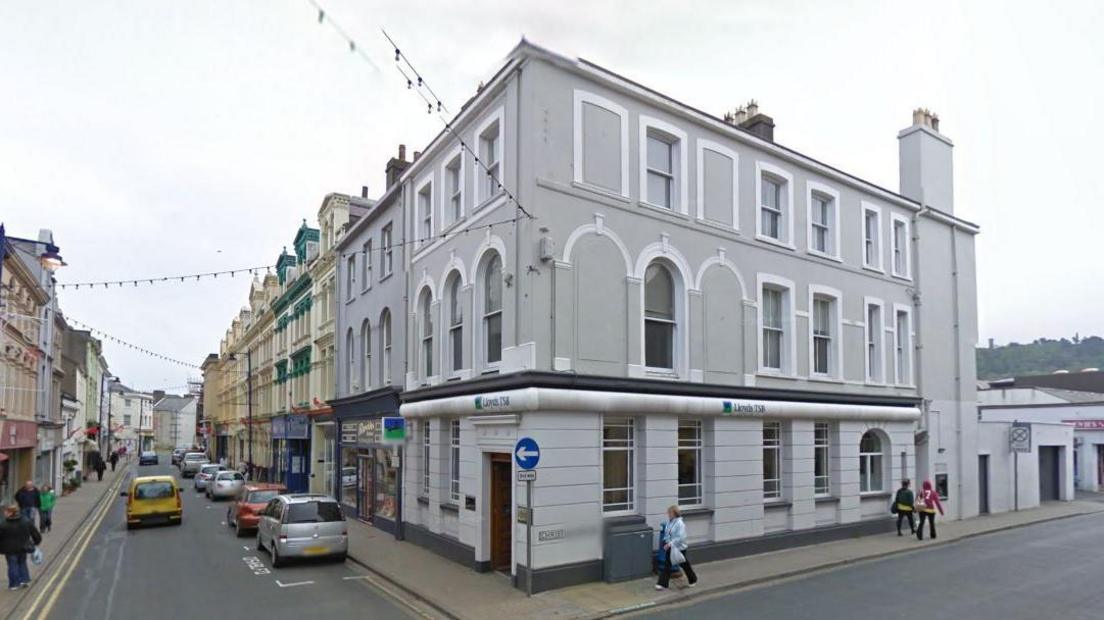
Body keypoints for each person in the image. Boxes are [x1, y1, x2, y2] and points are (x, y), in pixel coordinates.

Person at [655, 505, 698, 590]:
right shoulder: (669, 523)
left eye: (670, 512)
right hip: (670, 547)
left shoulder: (680, 523)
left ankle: (693, 579)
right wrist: (666, 541)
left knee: (685, 564)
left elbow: (680, 537)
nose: (668, 514)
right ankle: (662, 584)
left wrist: (670, 543)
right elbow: (667, 533)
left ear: (674, 513)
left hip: (679, 548)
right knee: (667, 565)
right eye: (668, 512)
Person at [0, 504, 41, 590]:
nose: (4, 513)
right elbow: (35, 533)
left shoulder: (3, 524)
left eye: (6, 512)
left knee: (12, 565)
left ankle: (14, 584)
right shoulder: (26, 521)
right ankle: (24, 580)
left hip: (9, 549)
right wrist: (36, 542)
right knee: (22, 562)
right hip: (23, 547)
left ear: (10, 513)